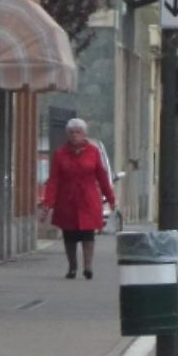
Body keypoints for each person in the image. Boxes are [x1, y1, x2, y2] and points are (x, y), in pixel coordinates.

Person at [41, 118, 115, 279]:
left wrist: (110, 197)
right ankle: (72, 266)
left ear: (84, 134)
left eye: (78, 132)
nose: (75, 135)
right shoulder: (60, 154)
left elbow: (102, 177)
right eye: (71, 132)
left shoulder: (94, 152)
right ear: (67, 135)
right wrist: (48, 203)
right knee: (70, 235)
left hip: (88, 199)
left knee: (88, 233)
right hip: (67, 200)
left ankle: (88, 266)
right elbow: (54, 180)